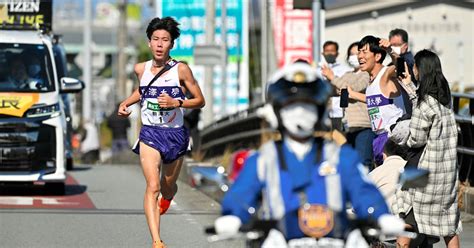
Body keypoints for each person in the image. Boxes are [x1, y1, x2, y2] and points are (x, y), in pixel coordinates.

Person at [220, 61, 402, 243]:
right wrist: (233, 216)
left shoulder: (340, 156)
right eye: (291, 104)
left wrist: (381, 215)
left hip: (334, 241)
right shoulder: (264, 159)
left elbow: (363, 190)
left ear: (320, 110)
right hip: (279, 241)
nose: (299, 111)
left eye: (308, 104)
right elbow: (241, 193)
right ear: (276, 110)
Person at [117, 17, 205, 248]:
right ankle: (157, 241)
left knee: (167, 186)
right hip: (150, 134)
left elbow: (200, 100)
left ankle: (168, 197)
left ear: (171, 44)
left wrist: (177, 103)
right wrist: (126, 102)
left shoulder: (181, 70)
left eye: (164, 40)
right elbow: (143, 90)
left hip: (175, 135)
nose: (159, 44)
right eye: (155, 39)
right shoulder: (140, 68)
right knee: (152, 186)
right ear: (149, 43)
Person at [393, 49, 461, 248]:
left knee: (406, 216)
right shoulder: (445, 101)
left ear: (420, 69)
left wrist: (400, 137)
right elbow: (425, 107)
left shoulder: (425, 105)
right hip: (446, 173)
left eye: (414, 66)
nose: (413, 70)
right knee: (449, 226)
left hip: (422, 170)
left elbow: (416, 139)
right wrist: (409, 88)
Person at [348, 35, 406, 166]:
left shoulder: (386, 73)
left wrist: (390, 50)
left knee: (389, 181)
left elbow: (402, 67)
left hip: (391, 136)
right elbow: (376, 100)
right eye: (359, 51)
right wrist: (353, 94)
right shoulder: (371, 80)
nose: (359, 56)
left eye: (364, 52)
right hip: (379, 137)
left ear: (378, 56)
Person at [322, 41, 374, 169]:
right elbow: (339, 89)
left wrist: (333, 78)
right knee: (349, 163)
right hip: (348, 126)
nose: (356, 57)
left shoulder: (366, 73)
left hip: (363, 125)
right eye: (351, 54)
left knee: (363, 163)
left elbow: (354, 88)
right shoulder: (347, 74)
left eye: (359, 53)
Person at [318, 41, 352, 131]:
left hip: (339, 111)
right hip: (323, 112)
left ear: (337, 53)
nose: (329, 53)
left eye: (332, 51)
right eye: (327, 51)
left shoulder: (345, 70)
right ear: (323, 53)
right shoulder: (317, 71)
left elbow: (347, 87)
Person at [368, 139, 407, 208]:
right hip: (407, 214)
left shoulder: (375, 173)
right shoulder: (413, 168)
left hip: (381, 214)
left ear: (384, 155)